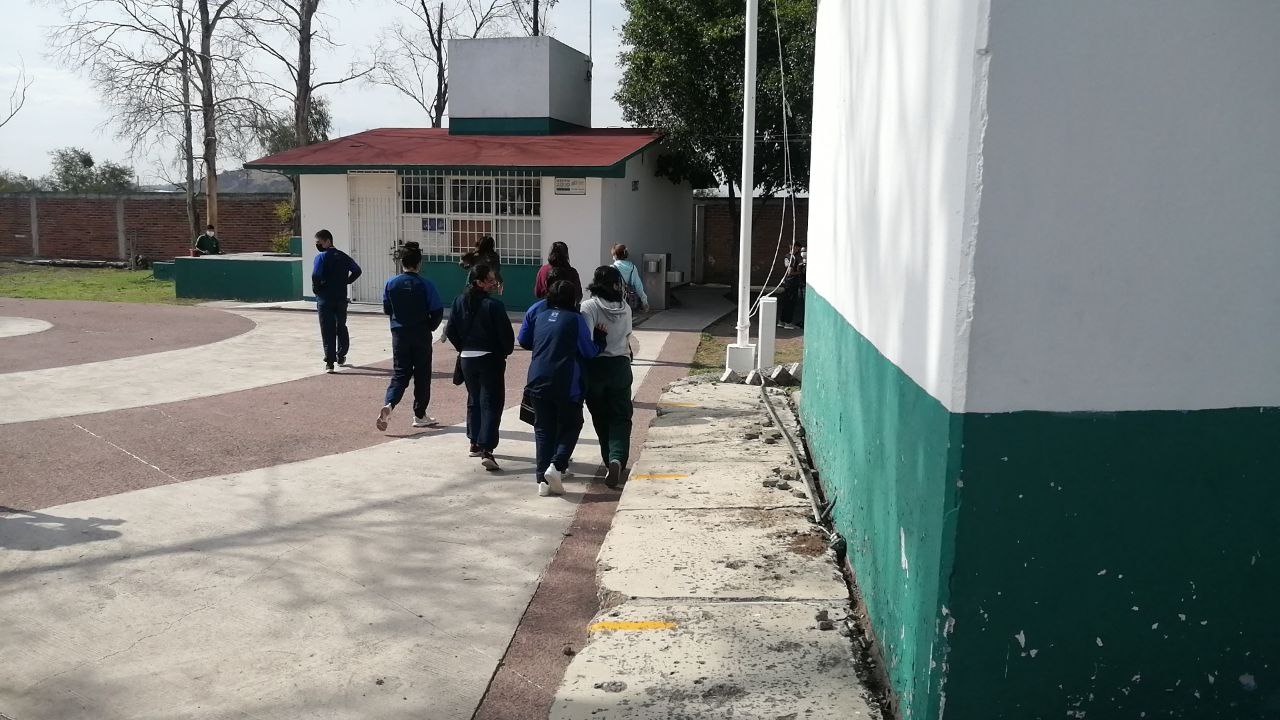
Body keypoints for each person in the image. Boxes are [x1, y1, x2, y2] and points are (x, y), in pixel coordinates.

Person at [518, 279, 606, 497]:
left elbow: (525, 341)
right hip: (565, 380)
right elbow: (588, 351)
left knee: (543, 429)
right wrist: (601, 339)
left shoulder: (540, 316)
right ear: (574, 299)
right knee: (572, 423)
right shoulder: (575, 320)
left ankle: (542, 480)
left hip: (537, 378)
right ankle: (556, 466)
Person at [446, 264, 514, 471]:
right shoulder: (494, 306)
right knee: (491, 403)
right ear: (479, 282)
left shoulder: (458, 301)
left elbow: (451, 330)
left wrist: (463, 348)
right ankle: (487, 448)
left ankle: (474, 441)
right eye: (491, 280)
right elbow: (507, 338)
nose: (495, 283)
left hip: (467, 359)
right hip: (490, 359)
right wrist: (503, 352)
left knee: (474, 399)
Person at [377, 241, 445, 431]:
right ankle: (420, 414)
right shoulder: (425, 284)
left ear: (402, 263)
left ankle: (390, 403)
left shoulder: (391, 283)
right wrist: (430, 326)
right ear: (419, 263)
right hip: (421, 333)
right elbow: (437, 310)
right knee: (422, 375)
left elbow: (386, 308)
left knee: (400, 373)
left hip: (399, 334)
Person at [580, 265, 635, 488]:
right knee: (621, 416)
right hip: (621, 365)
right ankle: (617, 458)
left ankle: (608, 458)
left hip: (596, 367)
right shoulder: (626, 308)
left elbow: (586, 339)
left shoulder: (589, 307)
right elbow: (628, 336)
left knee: (600, 416)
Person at [311, 228, 362, 373]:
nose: (318, 245)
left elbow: (316, 275)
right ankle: (341, 355)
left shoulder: (321, 257)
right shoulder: (344, 257)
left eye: (319, 242)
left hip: (325, 298)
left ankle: (330, 362)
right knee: (341, 326)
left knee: (327, 329)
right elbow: (357, 270)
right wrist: (346, 281)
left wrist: (317, 289)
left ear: (327, 241)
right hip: (340, 298)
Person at [610, 244, 649, 313]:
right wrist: (644, 301)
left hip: (613, 303)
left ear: (615, 255)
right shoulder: (632, 268)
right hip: (627, 302)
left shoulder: (612, 268)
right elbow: (638, 286)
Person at [777, 240, 807, 330]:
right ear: (794, 247)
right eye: (797, 248)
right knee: (791, 302)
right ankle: (788, 322)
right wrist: (799, 272)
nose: (797, 250)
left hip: (787, 282)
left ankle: (781, 321)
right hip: (792, 282)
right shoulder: (793, 258)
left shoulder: (787, 256)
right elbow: (790, 272)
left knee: (786, 302)